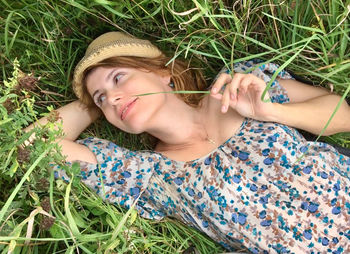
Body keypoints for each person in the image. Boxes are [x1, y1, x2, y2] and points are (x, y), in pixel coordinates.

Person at [26, 32, 350, 253]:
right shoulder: (149, 176)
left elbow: (342, 116)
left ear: (162, 72)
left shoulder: (235, 87)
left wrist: (271, 111)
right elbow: (33, 146)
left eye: (118, 77)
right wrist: (92, 105)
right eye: (102, 98)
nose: (112, 97)